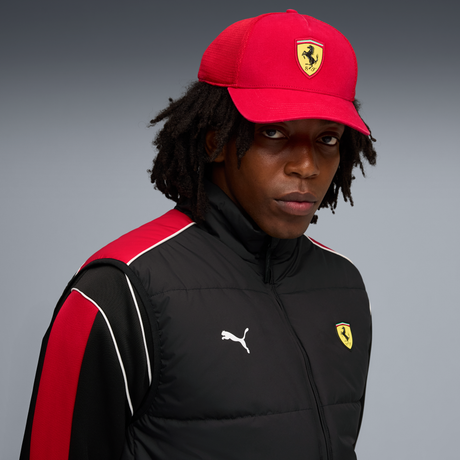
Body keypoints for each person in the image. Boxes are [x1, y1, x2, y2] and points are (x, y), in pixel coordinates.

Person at [20, 9, 376, 460]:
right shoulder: (118, 292)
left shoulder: (343, 285)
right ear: (215, 141)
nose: (306, 167)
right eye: (273, 132)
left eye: (327, 138)